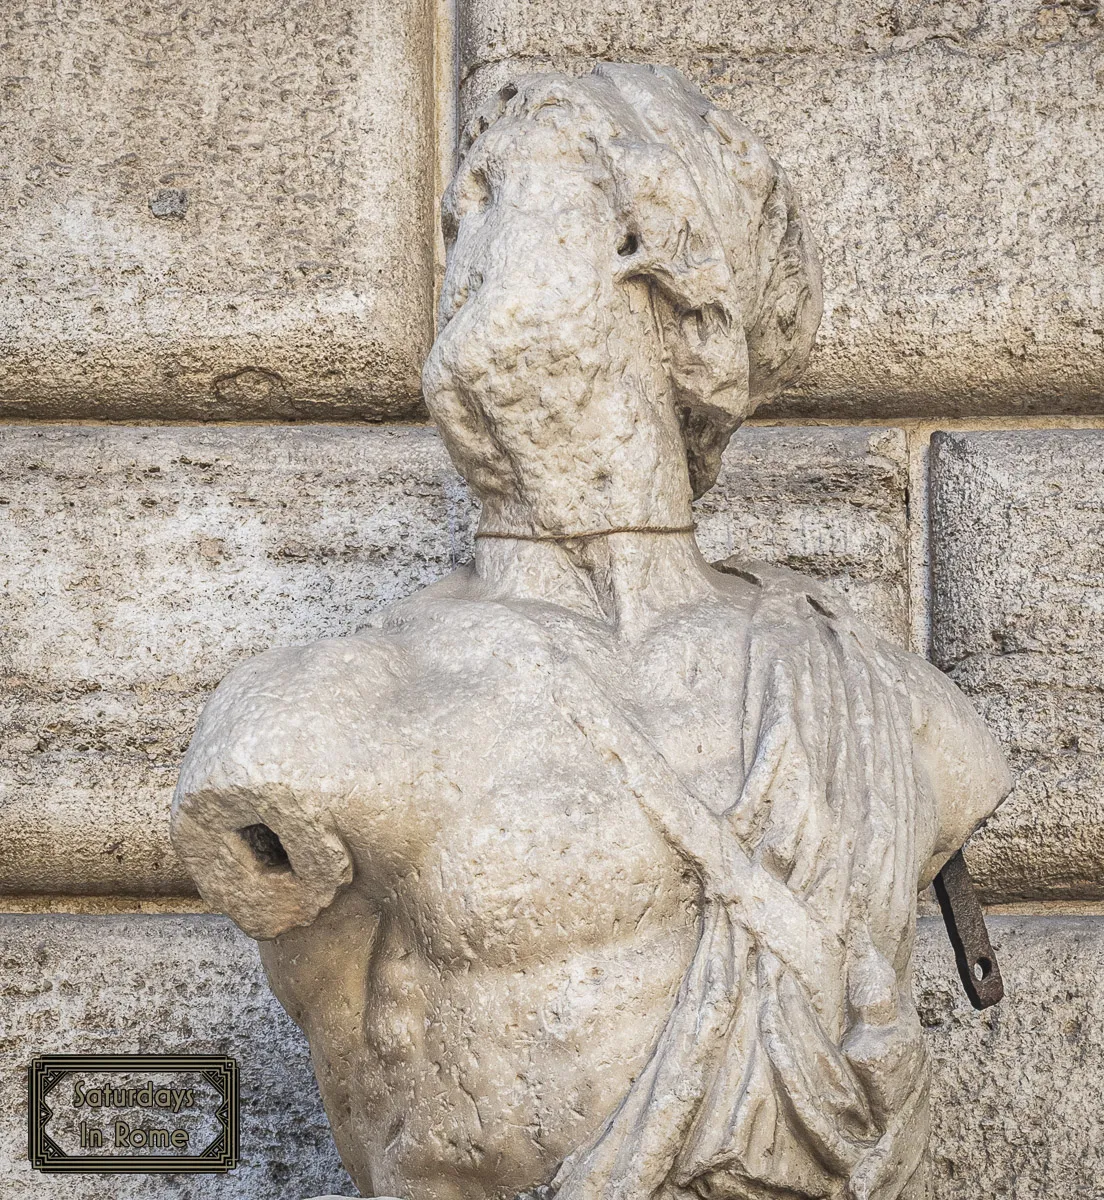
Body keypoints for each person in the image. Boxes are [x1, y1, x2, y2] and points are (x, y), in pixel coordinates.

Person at [172, 64, 1010, 1200]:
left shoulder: (889, 711)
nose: (460, 229)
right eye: (458, 208)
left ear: (648, 249)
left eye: (502, 189)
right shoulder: (315, 721)